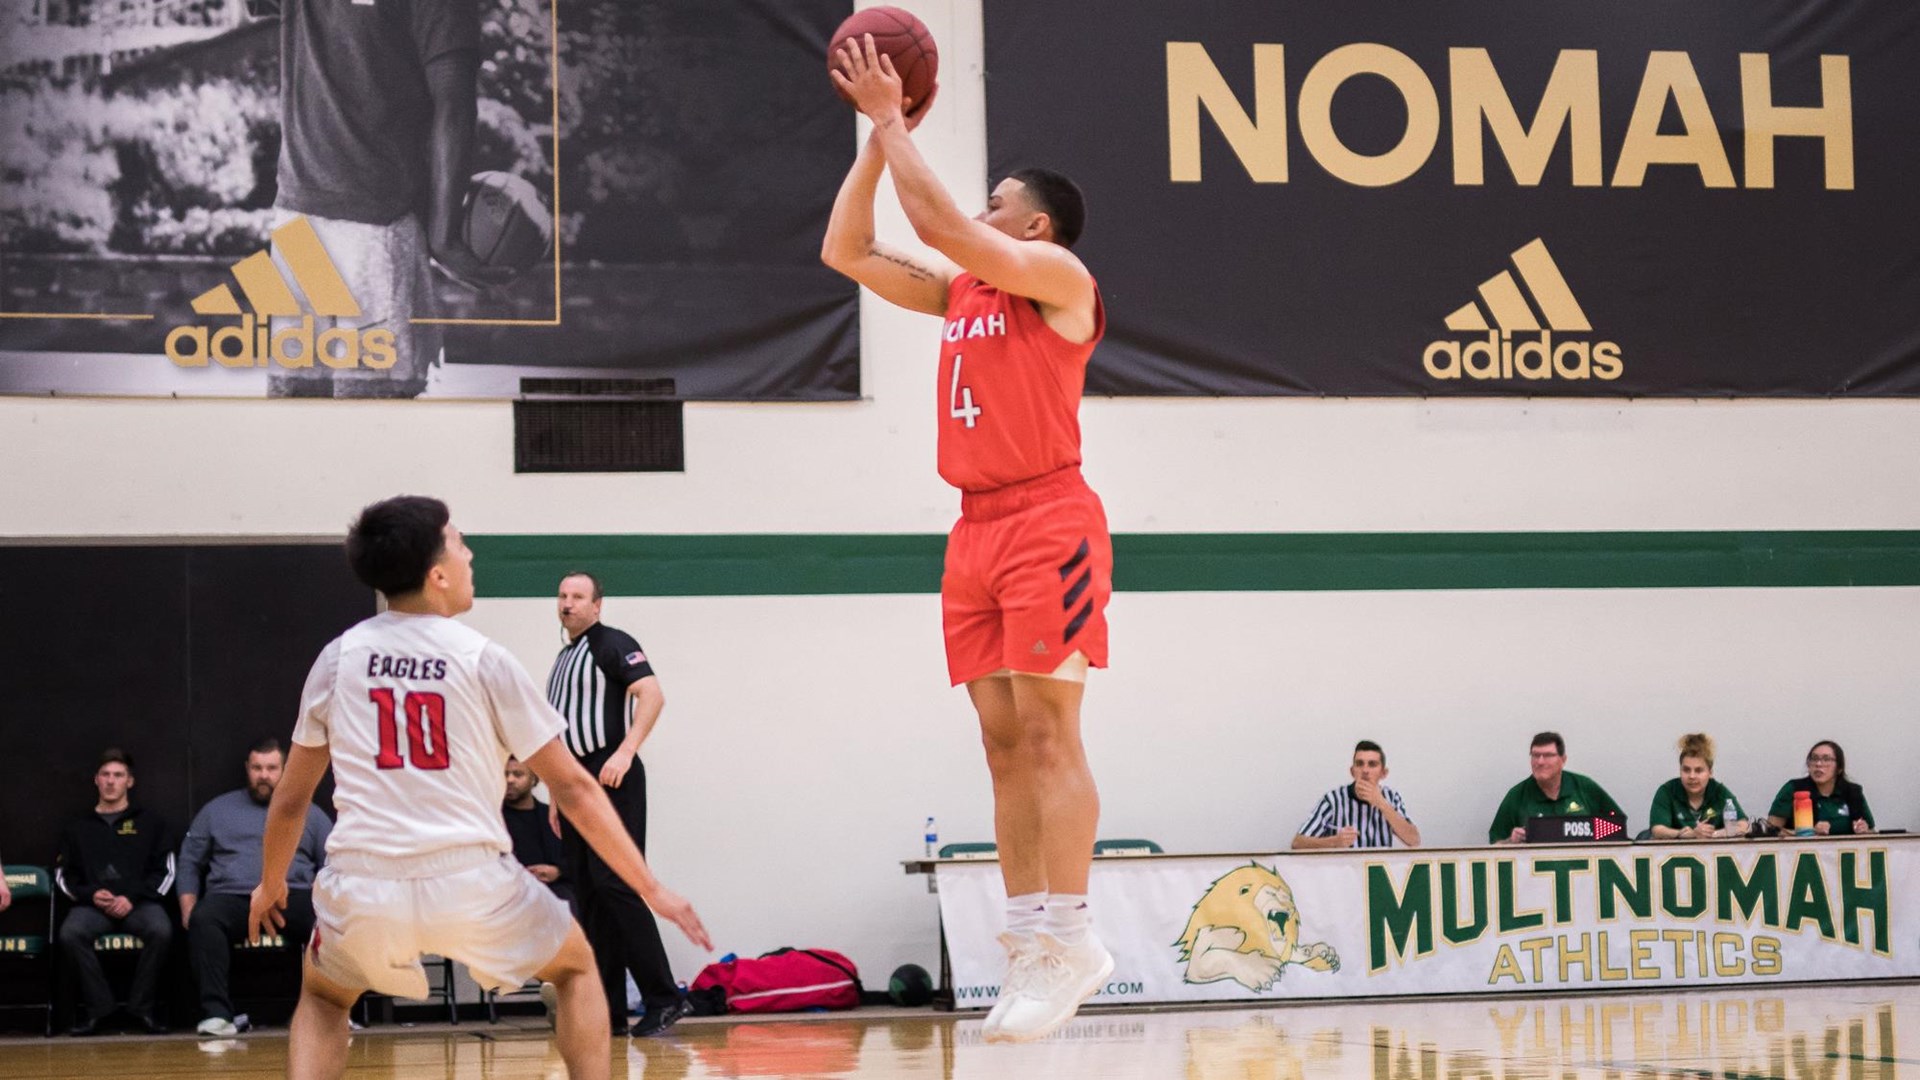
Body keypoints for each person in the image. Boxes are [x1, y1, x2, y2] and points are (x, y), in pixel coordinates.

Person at [825, 38, 1112, 1043]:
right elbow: (849, 250)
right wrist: (879, 138)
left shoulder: (1060, 280)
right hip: (975, 529)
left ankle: (1074, 937)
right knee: (1000, 747)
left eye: (999, 203)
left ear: (1035, 225)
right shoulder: (964, 294)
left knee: (1050, 734)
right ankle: (1030, 944)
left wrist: (890, 116)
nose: (980, 214)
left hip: (1049, 520)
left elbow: (940, 223)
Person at [249, 495, 709, 1080]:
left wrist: (270, 884)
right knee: (575, 969)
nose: (470, 555)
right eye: (460, 543)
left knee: (322, 996)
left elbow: (291, 800)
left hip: (363, 881)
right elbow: (574, 788)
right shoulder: (483, 658)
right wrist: (651, 886)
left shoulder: (337, 659)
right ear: (437, 574)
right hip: (470, 880)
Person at [257, 0, 507, 399]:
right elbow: (455, 106)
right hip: (327, 223)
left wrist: (443, 234)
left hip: (354, 225)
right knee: (322, 406)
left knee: (343, 409)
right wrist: (443, 236)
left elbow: (454, 107)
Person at [546, 571, 683, 1037]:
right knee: (589, 894)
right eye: (562, 596)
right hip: (574, 783)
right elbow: (559, 732)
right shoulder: (564, 658)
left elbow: (652, 693)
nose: (567, 603)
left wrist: (625, 751)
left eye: (577, 596)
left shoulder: (612, 643)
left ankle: (664, 997)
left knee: (617, 884)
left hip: (611, 775)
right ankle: (608, 1012)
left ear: (597, 605)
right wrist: (555, 794)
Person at [178, 737, 332, 1036]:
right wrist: (188, 908)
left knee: (329, 922)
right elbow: (189, 861)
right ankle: (217, 1015)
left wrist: (323, 895)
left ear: (285, 769)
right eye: (257, 768)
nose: (264, 775)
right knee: (203, 919)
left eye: (272, 768)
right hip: (232, 896)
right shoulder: (216, 811)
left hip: (290, 895)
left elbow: (332, 861)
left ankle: (326, 1015)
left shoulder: (308, 811)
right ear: (247, 768)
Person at [54, 748, 176, 1035]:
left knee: (161, 931)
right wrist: (90, 895)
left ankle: (141, 1009)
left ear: (129, 781)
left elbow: (167, 871)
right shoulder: (76, 827)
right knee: (70, 934)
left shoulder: (151, 822)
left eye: (118, 775)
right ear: (96, 780)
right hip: (91, 907)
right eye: (105, 775)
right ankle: (100, 1010)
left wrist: (131, 898)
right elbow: (62, 875)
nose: (111, 781)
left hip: (140, 904)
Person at [1488, 732, 1624, 844]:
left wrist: (1590, 830)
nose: (1540, 761)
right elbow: (1494, 845)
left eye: (1548, 755)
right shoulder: (1517, 795)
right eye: (1535, 755)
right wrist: (1511, 841)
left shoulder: (1584, 787)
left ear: (1563, 760)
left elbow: (1617, 826)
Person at [1291, 741, 1421, 849]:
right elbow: (1297, 843)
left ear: (1383, 773)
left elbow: (1414, 840)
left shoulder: (1391, 797)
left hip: (1377, 870)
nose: (1365, 770)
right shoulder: (1333, 800)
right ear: (1352, 771)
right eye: (1359, 764)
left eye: (1372, 764)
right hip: (1342, 870)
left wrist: (1381, 803)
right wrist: (1334, 842)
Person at [1646, 733, 1749, 840]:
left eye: (1698, 770)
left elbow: (1743, 825)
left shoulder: (1720, 792)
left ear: (1710, 773)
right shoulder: (1667, 791)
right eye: (1686, 770)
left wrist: (1714, 834)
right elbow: (1658, 830)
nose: (1692, 776)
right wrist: (1685, 834)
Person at [1765, 740, 1875, 835]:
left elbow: (1873, 832)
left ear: (1839, 768)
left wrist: (1865, 830)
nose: (1818, 764)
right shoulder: (1794, 789)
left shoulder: (1853, 792)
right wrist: (1809, 832)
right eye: (1814, 758)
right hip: (1804, 851)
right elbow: (1770, 831)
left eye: (1826, 759)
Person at [504, 755, 572, 907]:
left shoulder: (552, 816)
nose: (510, 780)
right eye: (505, 774)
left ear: (534, 779)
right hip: (513, 895)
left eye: (518, 774)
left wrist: (558, 871)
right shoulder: (494, 818)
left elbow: (575, 858)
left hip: (557, 891)